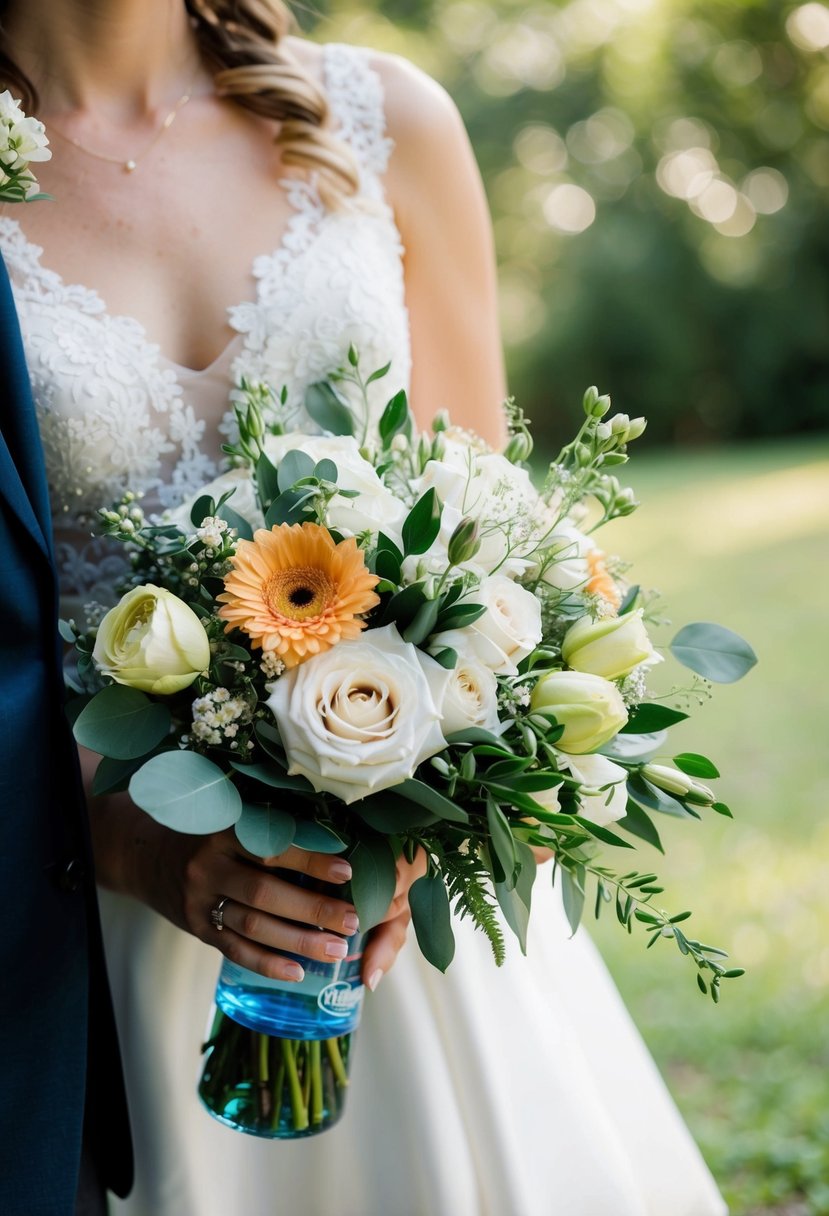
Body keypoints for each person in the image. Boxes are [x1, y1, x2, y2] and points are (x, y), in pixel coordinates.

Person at [0, 1, 729, 1213]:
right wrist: (131, 843)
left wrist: (473, 780)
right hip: (104, 910)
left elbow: (492, 524)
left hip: (409, 893)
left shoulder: (390, 121)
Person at [0, 252, 132, 1214]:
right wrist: (118, 829)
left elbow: (482, 501)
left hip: (370, 901)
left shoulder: (395, 123)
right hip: (52, 903)